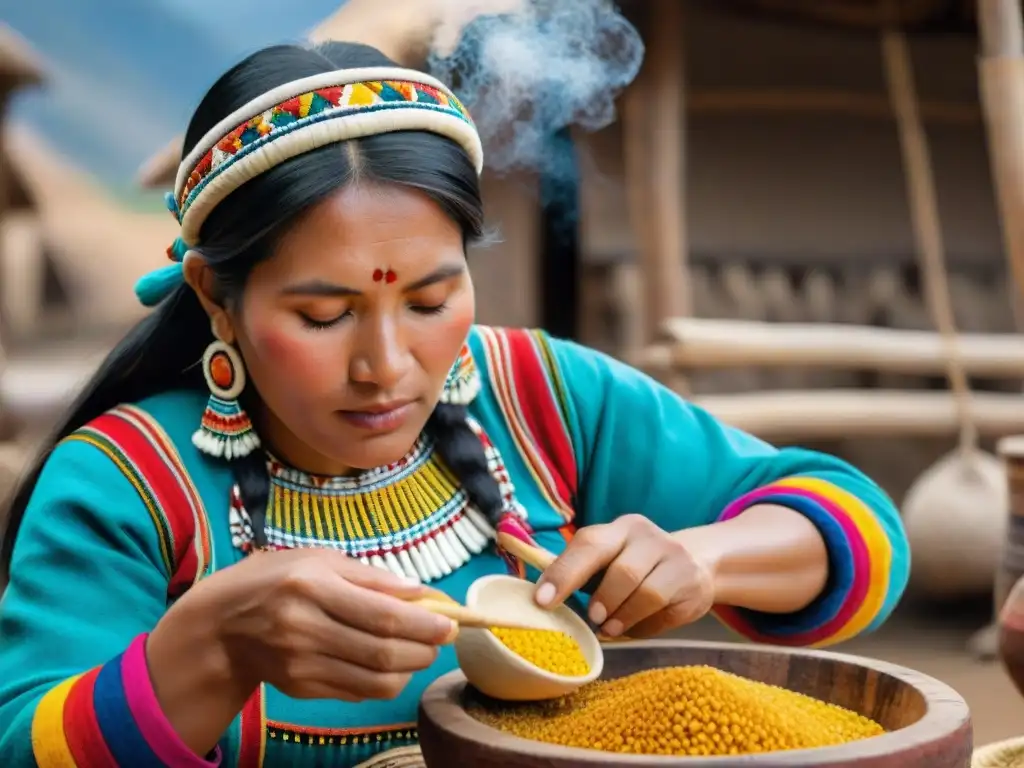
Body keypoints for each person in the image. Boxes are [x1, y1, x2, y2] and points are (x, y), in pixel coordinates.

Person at [0, 40, 909, 768]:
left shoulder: (542, 399)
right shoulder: (127, 484)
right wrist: (211, 648)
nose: (389, 365)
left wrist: (705, 559)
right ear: (213, 295)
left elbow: (859, 529)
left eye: (432, 302)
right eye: (324, 315)